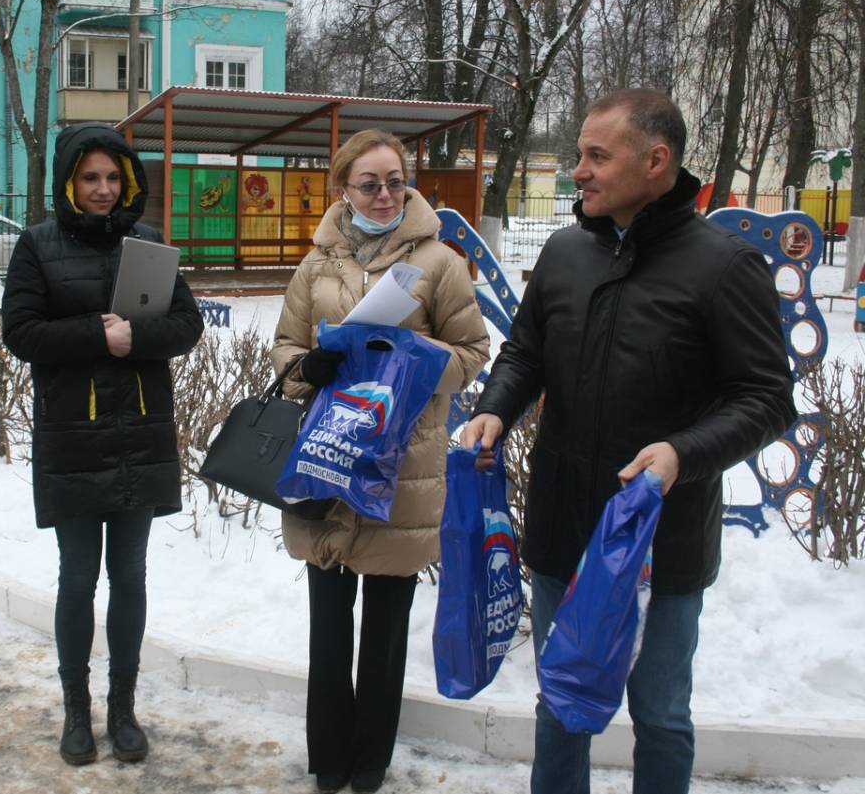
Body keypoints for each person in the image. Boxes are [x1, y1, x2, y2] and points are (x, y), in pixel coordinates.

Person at [461, 89, 797, 794]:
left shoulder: (724, 266)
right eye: (579, 154)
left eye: (594, 155)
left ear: (656, 160)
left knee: (661, 713)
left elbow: (767, 399)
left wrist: (682, 452)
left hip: (660, 545)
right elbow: (525, 352)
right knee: (560, 702)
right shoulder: (563, 250)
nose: (577, 171)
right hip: (562, 531)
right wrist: (497, 407)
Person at [272, 129, 490, 794]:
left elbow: (473, 353)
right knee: (329, 625)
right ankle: (329, 758)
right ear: (344, 190)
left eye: (396, 180)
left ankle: (371, 762)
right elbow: (284, 348)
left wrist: (413, 355)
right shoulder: (316, 264)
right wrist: (307, 366)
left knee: (387, 629)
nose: (387, 192)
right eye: (370, 183)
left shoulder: (440, 262)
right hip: (328, 461)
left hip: (404, 467)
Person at [1, 123, 203, 767]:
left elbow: (186, 324)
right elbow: (21, 333)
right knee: (78, 577)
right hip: (75, 437)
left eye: (113, 177)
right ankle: (75, 709)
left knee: (131, 575)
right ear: (68, 181)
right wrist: (98, 334)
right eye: (90, 177)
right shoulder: (37, 246)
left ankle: (123, 708)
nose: (103, 189)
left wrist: (136, 339)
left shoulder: (146, 243)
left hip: (139, 434)